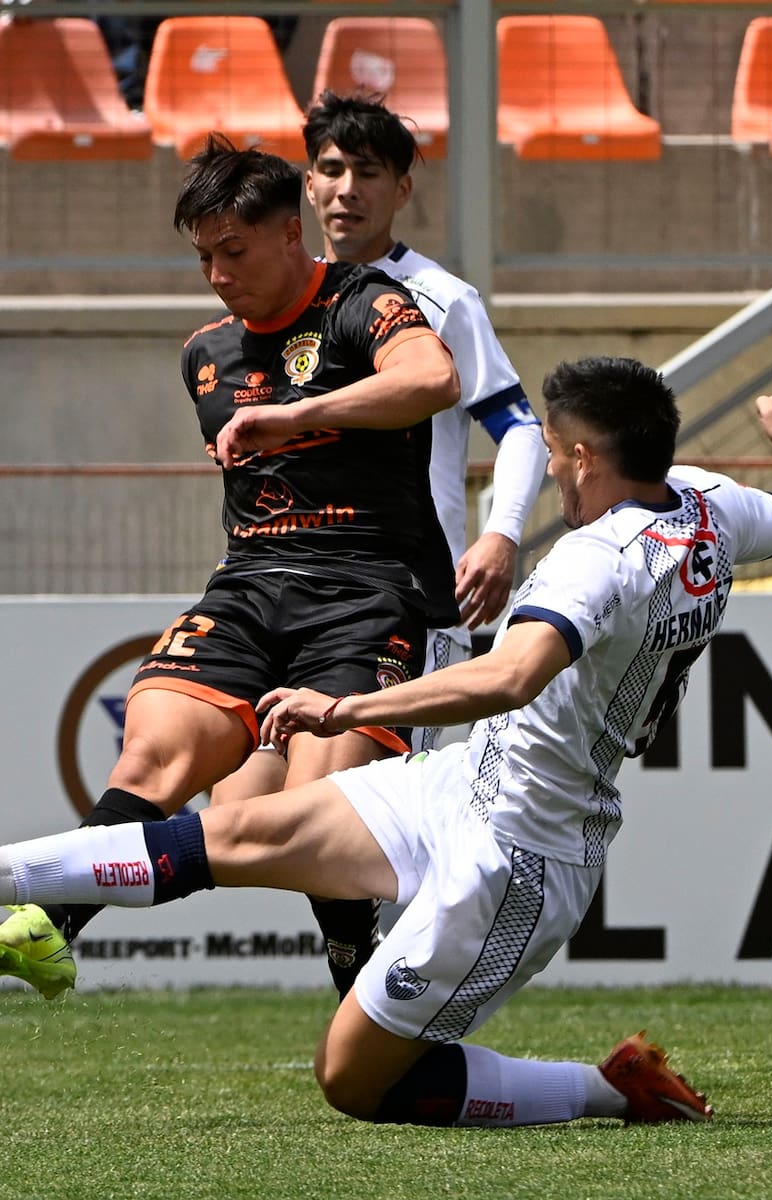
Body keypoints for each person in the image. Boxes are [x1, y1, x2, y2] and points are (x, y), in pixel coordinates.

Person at [0, 357, 772, 1129]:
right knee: (234, 835)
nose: (547, 461)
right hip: (465, 783)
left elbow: (510, 675)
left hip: (522, 854)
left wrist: (340, 711)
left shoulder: (598, 560)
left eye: (552, 446)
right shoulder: (708, 508)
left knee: (356, 1082)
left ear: (584, 456)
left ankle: (610, 1088)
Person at [0, 132, 462, 1002]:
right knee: (147, 757)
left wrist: (301, 414)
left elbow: (434, 379)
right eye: (203, 256)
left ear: (290, 234)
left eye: (235, 250)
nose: (219, 272)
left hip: (369, 592)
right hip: (251, 586)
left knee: (317, 817)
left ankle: (355, 971)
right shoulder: (204, 356)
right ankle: (50, 929)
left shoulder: (364, 302)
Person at [212, 91, 547, 812]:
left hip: (403, 600)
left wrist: (502, 533)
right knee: (244, 813)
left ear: (401, 191)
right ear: (306, 185)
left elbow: (519, 428)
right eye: (330, 169)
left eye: (367, 173)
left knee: (365, 818)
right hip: (294, 598)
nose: (346, 189)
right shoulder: (268, 305)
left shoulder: (440, 299)